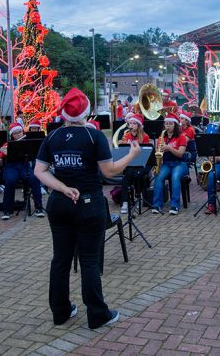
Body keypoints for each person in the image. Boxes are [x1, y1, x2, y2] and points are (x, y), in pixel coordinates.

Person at [34, 87, 140, 329]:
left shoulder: (52, 136)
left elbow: (39, 171)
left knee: (60, 259)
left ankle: (60, 312)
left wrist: (62, 187)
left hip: (59, 203)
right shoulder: (94, 136)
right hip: (89, 204)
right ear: (86, 112)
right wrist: (132, 154)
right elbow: (110, 171)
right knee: (89, 261)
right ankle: (97, 314)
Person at [0, 123, 44, 220]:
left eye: (20, 132)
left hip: (24, 166)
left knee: (34, 179)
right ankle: (7, 210)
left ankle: (39, 208)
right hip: (11, 168)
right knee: (10, 180)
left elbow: (34, 155)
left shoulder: (27, 143)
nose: (18, 135)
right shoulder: (7, 145)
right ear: (12, 135)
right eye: (15, 133)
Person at [151, 112, 188, 215]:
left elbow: (180, 154)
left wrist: (169, 148)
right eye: (166, 124)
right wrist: (159, 152)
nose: (167, 126)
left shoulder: (181, 137)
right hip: (166, 163)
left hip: (180, 163)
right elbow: (158, 153)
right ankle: (157, 205)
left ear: (175, 125)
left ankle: (175, 205)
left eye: (170, 124)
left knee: (175, 177)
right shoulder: (162, 137)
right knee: (158, 177)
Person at [118, 113, 151, 214]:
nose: (131, 125)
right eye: (130, 123)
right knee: (126, 176)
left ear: (139, 125)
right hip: (130, 162)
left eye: (134, 123)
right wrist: (123, 144)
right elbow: (123, 151)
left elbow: (146, 153)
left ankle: (138, 196)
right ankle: (125, 201)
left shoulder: (145, 136)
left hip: (141, 163)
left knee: (137, 174)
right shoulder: (127, 135)